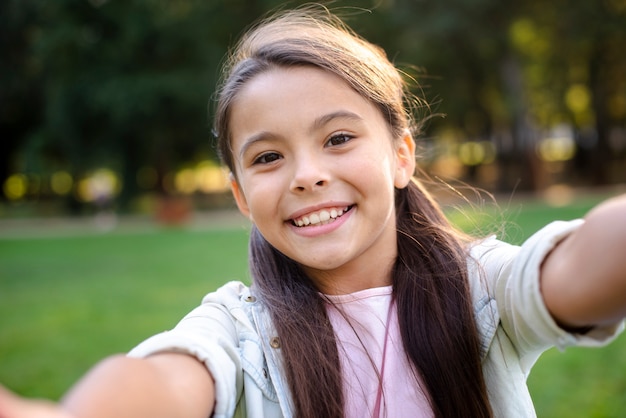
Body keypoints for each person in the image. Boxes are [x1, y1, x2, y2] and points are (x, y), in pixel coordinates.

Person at [1, 5, 625, 418]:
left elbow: (579, 268)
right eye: (269, 156)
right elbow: (163, 381)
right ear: (242, 196)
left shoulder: (480, 287)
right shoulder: (241, 327)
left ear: (402, 155)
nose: (307, 176)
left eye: (337, 139)